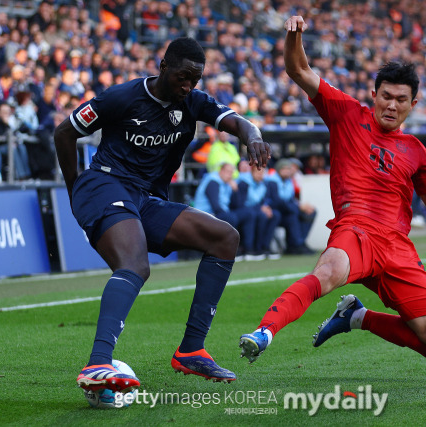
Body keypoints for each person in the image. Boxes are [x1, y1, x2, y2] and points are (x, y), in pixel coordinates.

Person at [239, 16, 426, 365]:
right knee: (326, 273)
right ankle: (264, 332)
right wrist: (294, 35)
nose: (392, 105)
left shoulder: (416, 151)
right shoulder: (345, 113)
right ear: (374, 95)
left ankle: (357, 317)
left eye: (401, 99)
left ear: (413, 104)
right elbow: (298, 70)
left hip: (397, 248)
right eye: (386, 96)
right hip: (355, 231)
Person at [54, 37, 271, 393]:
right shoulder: (121, 97)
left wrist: (254, 136)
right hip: (105, 185)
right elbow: (64, 132)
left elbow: (238, 122)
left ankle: (191, 351)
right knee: (135, 265)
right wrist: (76, 187)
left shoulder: (193, 102)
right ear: (163, 67)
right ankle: (97, 363)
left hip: (147, 198)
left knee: (224, 237)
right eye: (182, 77)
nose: (188, 86)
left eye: (195, 80)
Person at [192, 162, 258, 259]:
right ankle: (230, 250)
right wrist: (230, 214)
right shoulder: (213, 182)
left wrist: (235, 191)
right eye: (227, 172)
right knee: (231, 217)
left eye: (231, 172)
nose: (229, 175)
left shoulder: (227, 184)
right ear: (221, 171)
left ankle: (248, 249)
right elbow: (216, 206)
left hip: (220, 213)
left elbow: (237, 205)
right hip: (206, 215)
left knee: (248, 214)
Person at [265, 158, 316, 254]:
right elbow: (277, 202)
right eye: (284, 169)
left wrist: (300, 206)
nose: (287, 171)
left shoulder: (289, 181)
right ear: (278, 169)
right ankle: (296, 244)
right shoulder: (272, 181)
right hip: (277, 211)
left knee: (310, 212)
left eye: (288, 169)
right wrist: (297, 207)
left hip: (286, 210)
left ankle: (300, 242)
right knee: (293, 214)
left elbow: (291, 199)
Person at [235, 163, 282, 259]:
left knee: (275, 215)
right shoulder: (244, 183)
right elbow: (240, 203)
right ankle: (252, 248)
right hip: (243, 209)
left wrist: (266, 207)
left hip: (256, 209)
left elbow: (265, 200)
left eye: (262, 173)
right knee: (259, 215)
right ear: (252, 173)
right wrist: (260, 208)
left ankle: (265, 246)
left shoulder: (264, 184)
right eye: (257, 172)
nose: (260, 175)